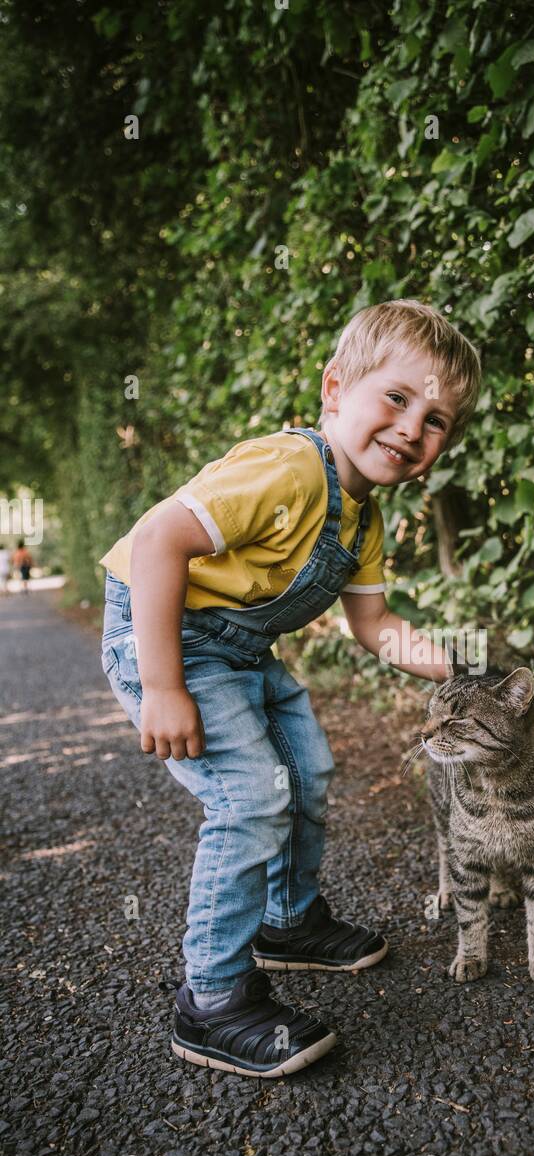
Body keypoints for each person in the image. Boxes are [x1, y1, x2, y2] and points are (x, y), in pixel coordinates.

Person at [98, 299, 482, 1078]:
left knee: (306, 771)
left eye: (437, 419)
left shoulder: (363, 520)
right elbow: (159, 539)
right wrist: (165, 685)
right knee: (250, 797)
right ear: (336, 389)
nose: (414, 428)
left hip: (238, 650)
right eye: (398, 399)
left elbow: (373, 626)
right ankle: (210, 1001)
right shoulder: (288, 468)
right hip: (166, 635)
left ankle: (287, 921)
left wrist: (466, 667)